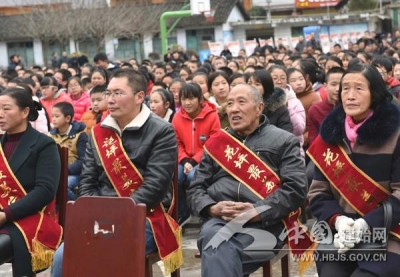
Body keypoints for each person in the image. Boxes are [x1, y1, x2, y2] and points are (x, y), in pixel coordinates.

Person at [51, 69, 182, 277]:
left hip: (146, 216)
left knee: (110, 251)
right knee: (62, 256)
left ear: (140, 97)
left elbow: (155, 187)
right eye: (108, 94)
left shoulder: (161, 131)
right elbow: (87, 182)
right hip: (100, 216)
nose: (110, 100)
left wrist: (119, 215)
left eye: (118, 93)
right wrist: (98, 212)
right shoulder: (98, 132)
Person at [187, 84, 309, 277]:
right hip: (220, 221)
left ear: (259, 108)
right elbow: (195, 189)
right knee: (216, 239)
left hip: (267, 224)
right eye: (229, 103)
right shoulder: (216, 143)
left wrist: (256, 212)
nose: (234, 109)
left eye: (241, 102)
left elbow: (295, 190)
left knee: (216, 247)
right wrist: (211, 208)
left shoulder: (284, 141)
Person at [307, 64, 400, 277]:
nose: (350, 95)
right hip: (342, 236)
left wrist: (365, 225)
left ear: (374, 94)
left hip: (389, 235)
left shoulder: (396, 135)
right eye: (345, 89)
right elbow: (317, 192)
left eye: (359, 88)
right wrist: (337, 220)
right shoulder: (330, 136)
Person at [0, 87, 62, 276]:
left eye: (6, 109)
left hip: (30, 217)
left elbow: (45, 191)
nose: (0, 114)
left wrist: (5, 214)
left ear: (25, 112)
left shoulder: (44, 144)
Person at [172, 83, 221, 226]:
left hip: (206, 160)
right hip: (183, 159)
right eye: (184, 99)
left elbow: (212, 143)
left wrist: (193, 161)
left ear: (200, 99)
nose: (187, 103)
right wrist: (185, 160)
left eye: (191, 98)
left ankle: (203, 211)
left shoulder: (212, 116)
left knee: (195, 176)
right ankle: (182, 213)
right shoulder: (177, 117)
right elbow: (176, 143)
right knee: (175, 177)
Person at [49, 102, 88, 201]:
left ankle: (77, 208)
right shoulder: (49, 136)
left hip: (73, 173)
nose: (53, 119)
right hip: (54, 172)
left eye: (57, 116)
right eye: (52, 116)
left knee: (64, 186)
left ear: (67, 118)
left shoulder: (80, 135)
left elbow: (84, 160)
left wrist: (66, 169)